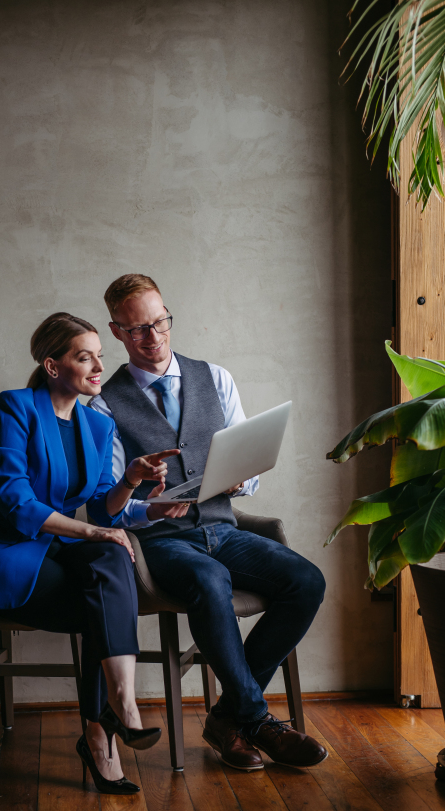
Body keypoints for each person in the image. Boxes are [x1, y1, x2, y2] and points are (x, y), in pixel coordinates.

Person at [89, 275, 328, 771]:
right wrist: (147, 503)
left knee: (306, 580)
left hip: (223, 528)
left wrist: (238, 482)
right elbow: (106, 506)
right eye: (137, 330)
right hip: (160, 544)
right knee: (209, 579)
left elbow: (250, 473)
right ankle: (259, 721)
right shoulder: (103, 404)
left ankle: (228, 718)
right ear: (117, 332)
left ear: (167, 316)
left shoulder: (215, 377)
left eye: (159, 323)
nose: (152, 338)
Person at [0, 312, 180, 794]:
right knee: (100, 591)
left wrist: (131, 481)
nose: (100, 366)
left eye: (101, 355)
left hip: (62, 548)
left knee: (111, 557)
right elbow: (15, 500)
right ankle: (104, 727)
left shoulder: (98, 427)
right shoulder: (16, 407)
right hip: (11, 552)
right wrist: (91, 532)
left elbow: (104, 509)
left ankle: (116, 711)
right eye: (85, 357)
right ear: (53, 365)